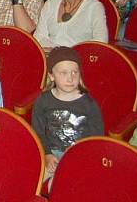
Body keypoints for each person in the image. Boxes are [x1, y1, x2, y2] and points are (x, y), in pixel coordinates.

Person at [31, 46, 104, 183]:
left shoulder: (89, 104)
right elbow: (38, 131)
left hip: (79, 157)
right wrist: (46, 154)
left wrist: (78, 154)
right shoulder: (43, 100)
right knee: (32, 179)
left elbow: (96, 136)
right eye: (63, 73)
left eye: (74, 73)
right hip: (50, 153)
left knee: (60, 184)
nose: (70, 78)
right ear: (51, 76)